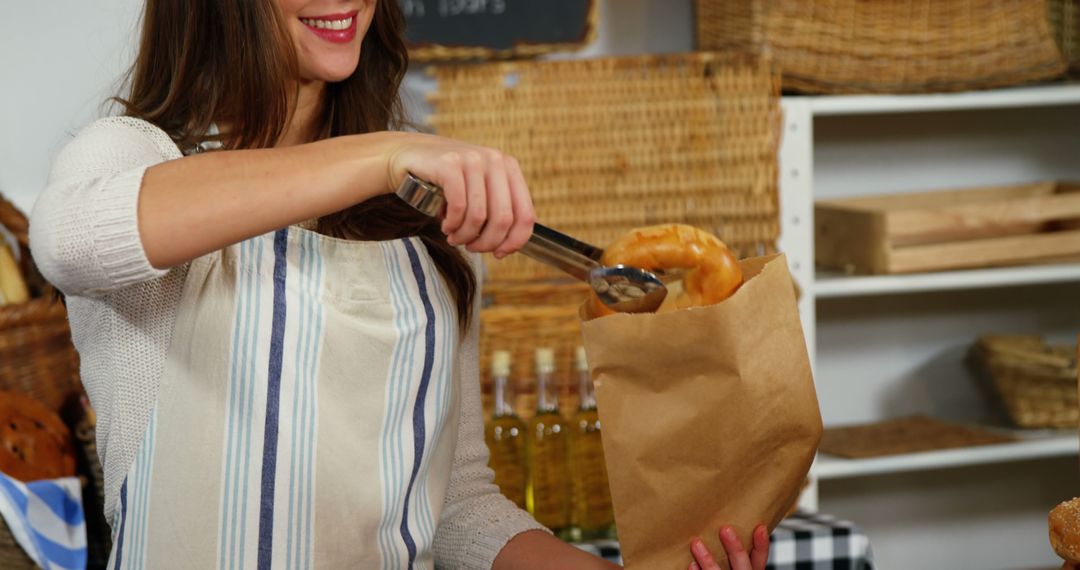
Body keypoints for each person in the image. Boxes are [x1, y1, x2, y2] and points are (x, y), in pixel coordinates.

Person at [29, 1, 769, 568]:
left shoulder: (426, 233)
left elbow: (457, 506)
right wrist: (387, 151)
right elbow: (69, 240)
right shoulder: (133, 158)